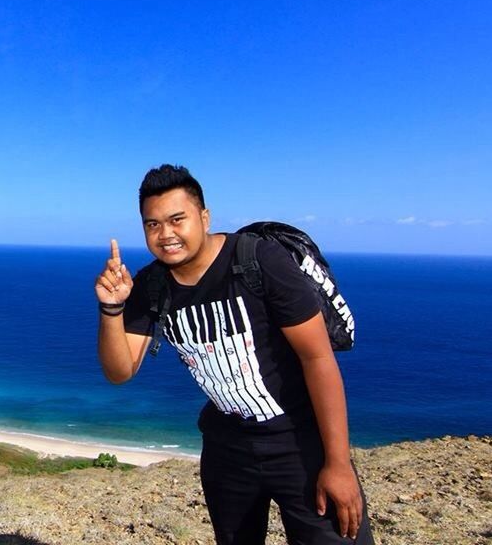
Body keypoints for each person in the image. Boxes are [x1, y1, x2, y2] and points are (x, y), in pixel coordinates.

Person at [95, 164, 374, 544]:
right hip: (227, 447)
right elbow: (120, 371)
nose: (166, 234)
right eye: (152, 224)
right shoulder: (151, 284)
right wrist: (112, 309)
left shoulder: (259, 262)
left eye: (177, 219)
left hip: (298, 439)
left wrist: (338, 463)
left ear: (204, 216)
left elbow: (318, 358)